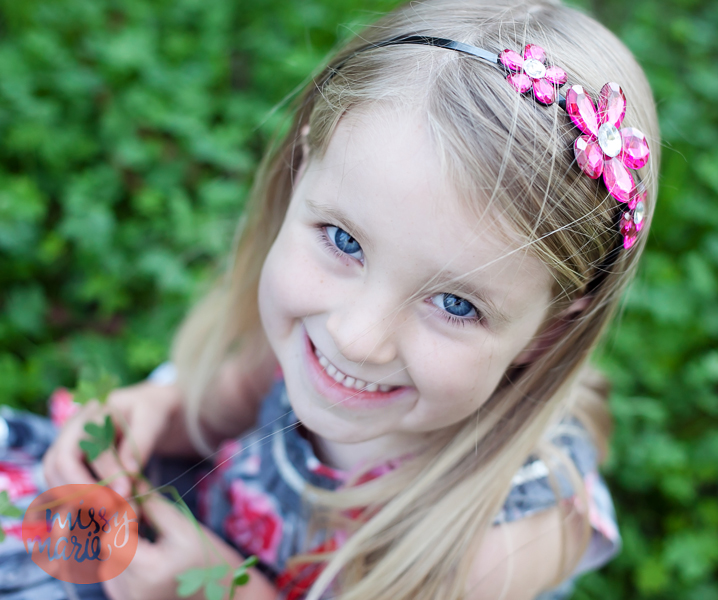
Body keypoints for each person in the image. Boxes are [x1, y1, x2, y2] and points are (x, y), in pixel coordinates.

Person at [0, 0, 659, 598]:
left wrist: (215, 590)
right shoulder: (312, 343)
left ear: (546, 330)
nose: (356, 337)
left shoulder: (515, 537)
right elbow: (223, 405)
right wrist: (152, 415)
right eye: (344, 240)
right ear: (301, 171)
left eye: (456, 304)